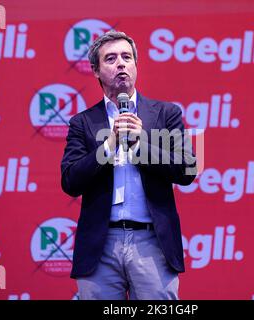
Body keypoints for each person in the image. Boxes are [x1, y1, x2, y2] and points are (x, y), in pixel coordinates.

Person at [60, 30, 197, 300]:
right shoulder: (82, 122)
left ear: (136, 65)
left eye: (127, 57)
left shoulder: (166, 114)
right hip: (101, 245)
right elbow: (70, 181)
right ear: (96, 71)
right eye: (110, 59)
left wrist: (139, 144)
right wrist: (110, 144)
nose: (121, 64)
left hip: (152, 243)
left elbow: (188, 169)